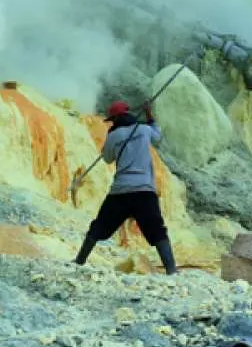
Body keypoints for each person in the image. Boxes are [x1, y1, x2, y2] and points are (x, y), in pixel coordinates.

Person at [72, 100, 177, 274]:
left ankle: (79, 260)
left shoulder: (113, 136)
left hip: (120, 191)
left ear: (116, 118)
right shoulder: (143, 130)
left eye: (112, 120)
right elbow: (157, 134)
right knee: (157, 230)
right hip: (144, 191)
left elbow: (107, 158)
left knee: (99, 226)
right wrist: (149, 114)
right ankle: (171, 270)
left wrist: (113, 138)